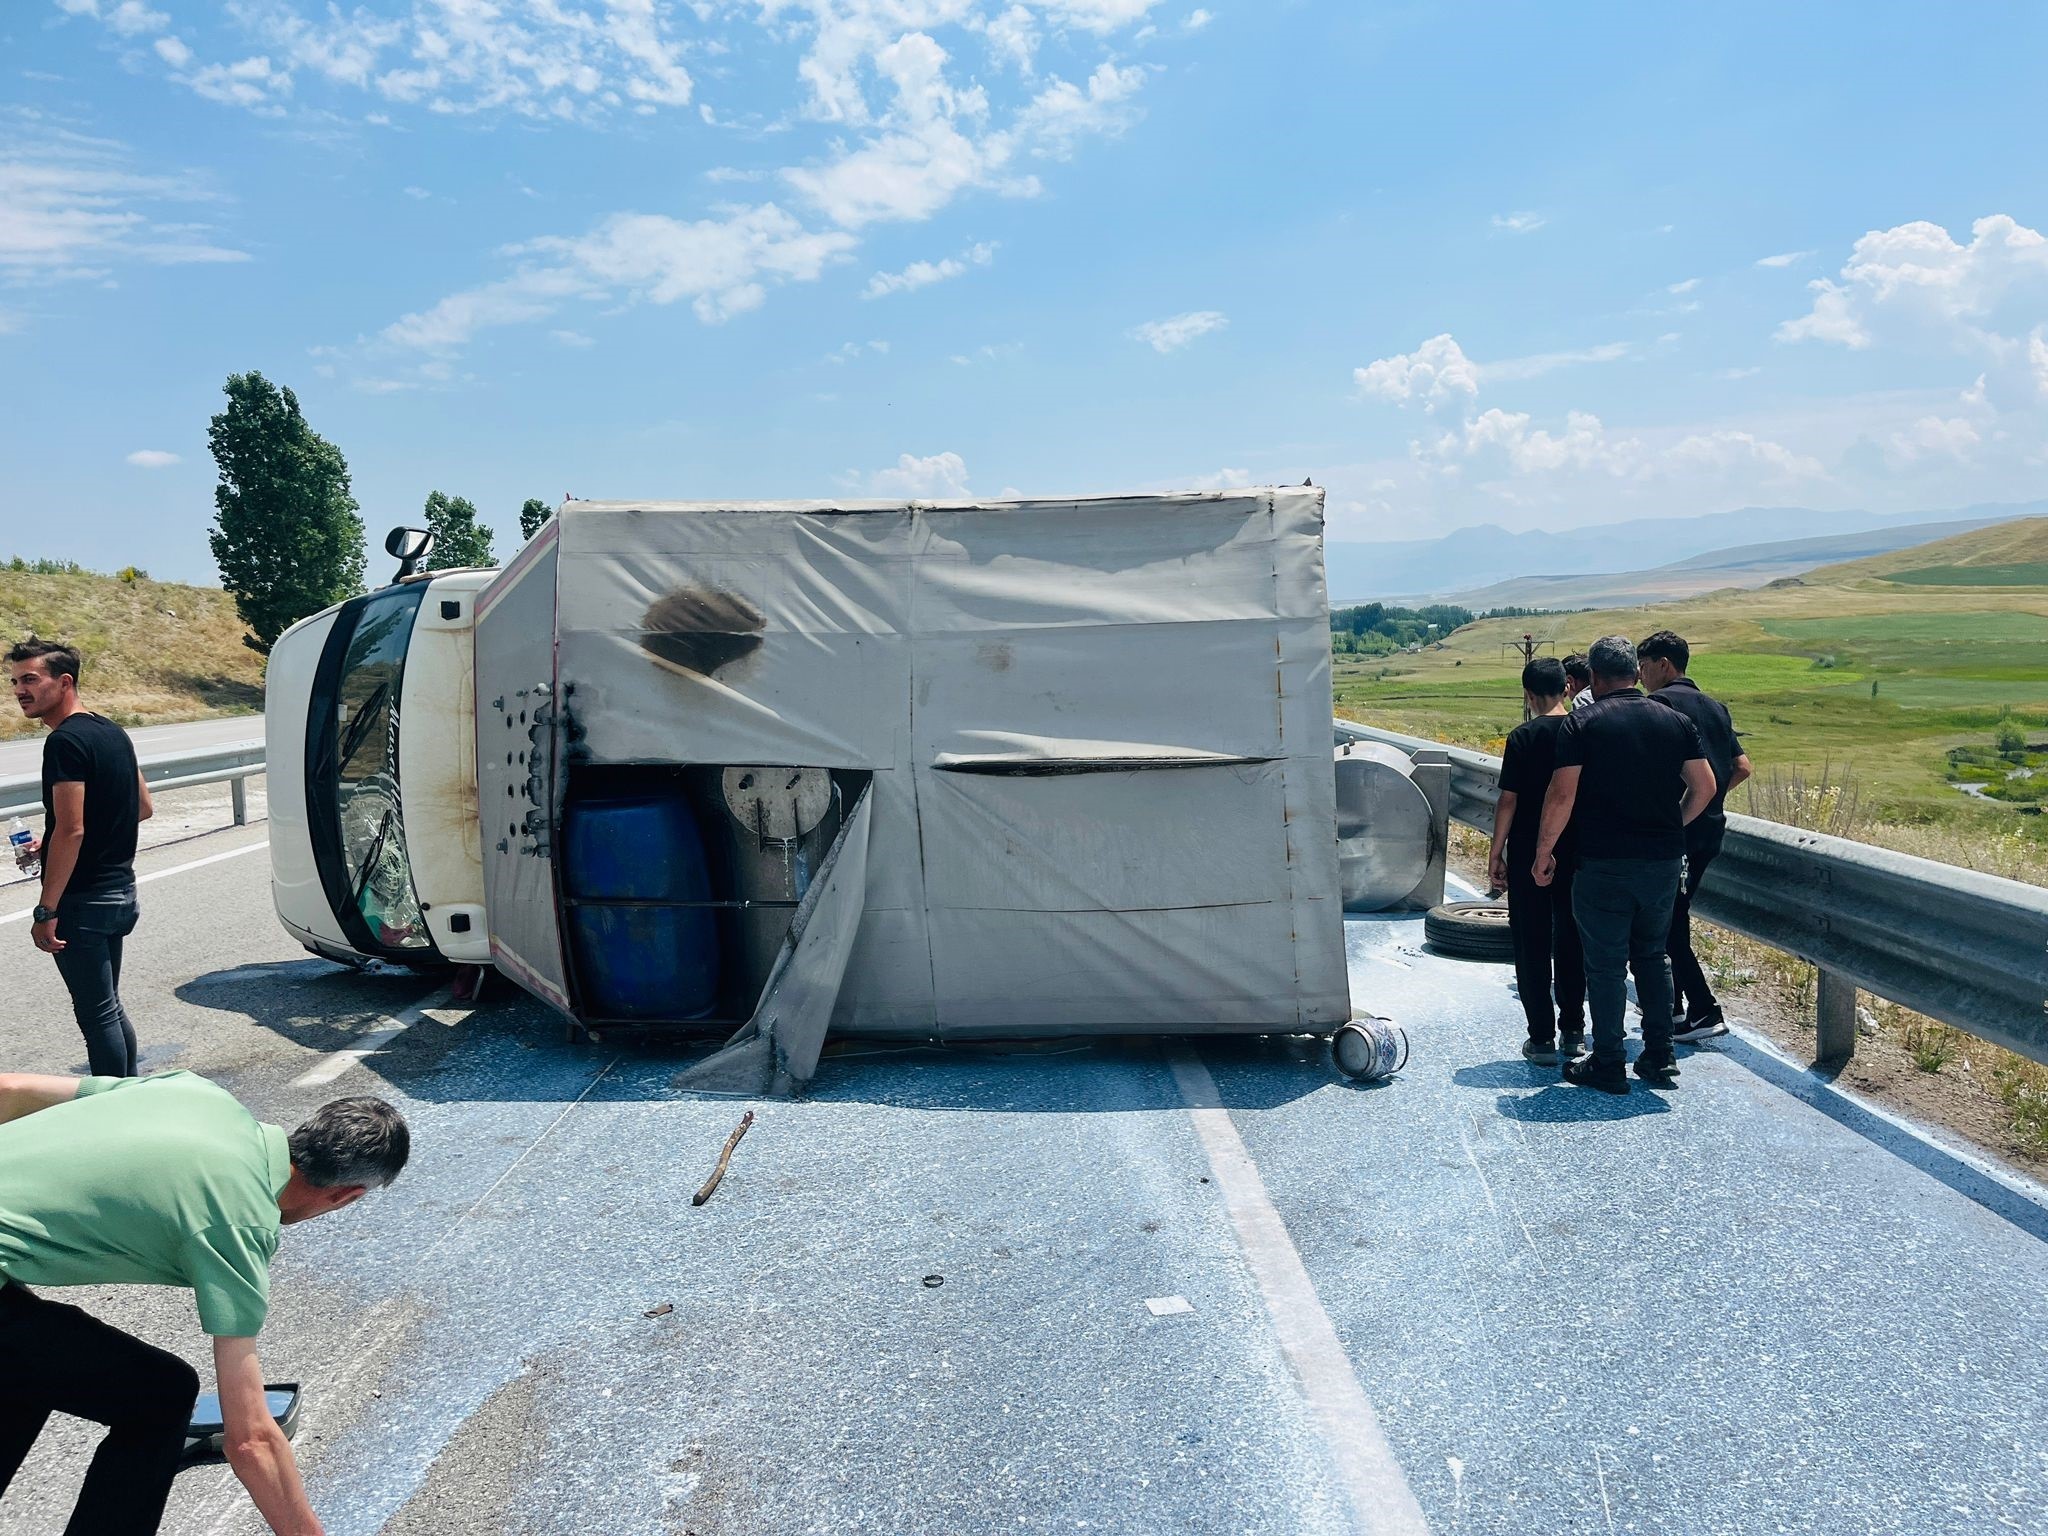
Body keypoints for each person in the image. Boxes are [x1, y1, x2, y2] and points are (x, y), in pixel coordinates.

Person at [0, 1070, 410, 1534]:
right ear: (345, 1196)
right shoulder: (240, 1224)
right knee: (160, 1395)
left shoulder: (197, 1093)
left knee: (35, 1365)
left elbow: (10, 1088)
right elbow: (251, 1440)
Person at [1531, 636, 1716, 1093]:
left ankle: (1609, 1061)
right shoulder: (1676, 721)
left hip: (1604, 861)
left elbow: (1561, 794)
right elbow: (1705, 786)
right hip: (1662, 861)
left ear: (1593, 677)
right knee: (1654, 956)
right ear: (1636, 672)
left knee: (1606, 964)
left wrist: (1543, 852)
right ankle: (1660, 1056)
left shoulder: (1583, 724)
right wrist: (1672, 825)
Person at [8, 638, 152, 1076]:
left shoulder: (65, 742)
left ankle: (112, 1113)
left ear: (63, 681)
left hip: (83, 901)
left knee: (97, 1015)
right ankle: (128, 1094)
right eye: (14, 681)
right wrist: (47, 844)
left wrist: (46, 908)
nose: (19, 690)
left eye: (30, 679)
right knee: (107, 1007)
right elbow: (141, 806)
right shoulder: (111, 730)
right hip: (120, 891)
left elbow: (72, 828)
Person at [1638, 630, 1752, 1042]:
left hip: (1673, 834)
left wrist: (1679, 814)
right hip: (1710, 832)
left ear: (1663, 665)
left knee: (1664, 924)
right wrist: (1709, 800)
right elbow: (1741, 767)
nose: (1639, 673)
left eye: (1644, 665)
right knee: (1674, 918)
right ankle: (1676, 1009)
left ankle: (1704, 1011)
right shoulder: (1714, 707)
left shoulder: (1659, 706)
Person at [1487, 657, 1586, 1064]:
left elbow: (1508, 800)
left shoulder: (1522, 737)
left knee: (1530, 941)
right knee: (1571, 938)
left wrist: (1497, 853)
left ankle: (1541, 1038)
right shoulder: (1584, 730)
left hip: (1529, 848)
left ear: (1527, 695)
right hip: (1577, 848)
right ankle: (1575, 1032)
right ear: (1567, 687)